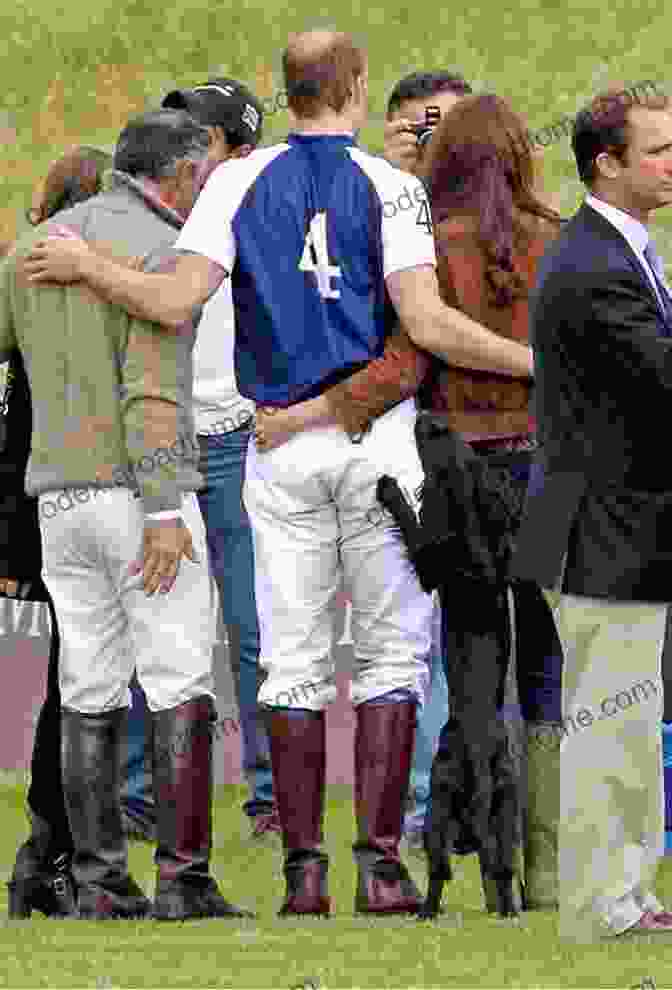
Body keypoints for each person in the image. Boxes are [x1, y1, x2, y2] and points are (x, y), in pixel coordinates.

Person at [22, 29, 533, 917]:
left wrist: (87, 265)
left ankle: (303, 874)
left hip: (276, 444)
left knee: (288, 658)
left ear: (287, 90)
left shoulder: (230, 183)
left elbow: (174, 300)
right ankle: (379, 866)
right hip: (377, 444)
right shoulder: (393, 186)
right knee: (390, 653)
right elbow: (428, 325)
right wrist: (533, 362)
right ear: (356, 88)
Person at [254, 91, 566, 911]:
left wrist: (302, 415)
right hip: (546, 474)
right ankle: (547, 872)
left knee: (466, 665)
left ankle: (441, 850)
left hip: (459, 478)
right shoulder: (559, 242)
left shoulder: (435, 247)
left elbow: (403, 365)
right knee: (546, 670)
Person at [3, 109, 254, 921]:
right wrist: (162, 507)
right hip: (138, 491)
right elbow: (151, 391)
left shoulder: (37, 247)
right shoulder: (157, 252)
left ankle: (98, 882)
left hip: (58, 499)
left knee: (88, 683)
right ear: (180, 175)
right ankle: (184, 879)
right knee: (179, 677)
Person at [255, 68, 474, 853]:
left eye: (443, 127)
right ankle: (394, 829)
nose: (426, 141)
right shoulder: (365, 200)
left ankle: (429, 817)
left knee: (428, 645)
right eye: (415, 126)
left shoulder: (458, 225)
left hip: (444, 447)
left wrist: (298, 415)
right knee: (368, 644)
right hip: (387, 445)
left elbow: (408, 351)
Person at [511, 85, 672, 939]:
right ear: (606, 164)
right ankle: (601, 902)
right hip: (598, 535)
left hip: (621, 531)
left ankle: (629, 891)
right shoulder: (592, 267)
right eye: (657, 151)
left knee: (633, 724)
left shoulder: (619, 253)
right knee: (611, 724)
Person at [160, 78, 280, 838]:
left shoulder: (264, 209)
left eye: (197, 136)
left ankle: (269, 796)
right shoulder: (152, 210)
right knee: (155, 615)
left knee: (250, 624)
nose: (182, 148)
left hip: (238, 435)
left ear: (239, 149)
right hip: (164, 437)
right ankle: (144, 797)